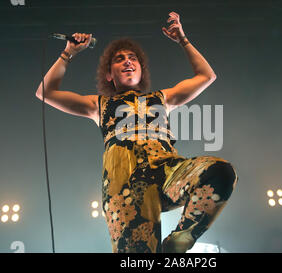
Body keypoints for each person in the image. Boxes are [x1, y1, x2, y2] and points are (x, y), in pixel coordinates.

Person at [35, 11, 238, 253]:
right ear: (109, 75)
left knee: (221, 171)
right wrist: (68, 52)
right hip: (125, 186)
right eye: (119, 59)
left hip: (167, 171)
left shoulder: (163, 98)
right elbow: (45, 92)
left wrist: (182, 39)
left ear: (141, 70)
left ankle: (178, 242)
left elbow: (207, 76)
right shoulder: (98, 105)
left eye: (133, 58)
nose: (128, 61)